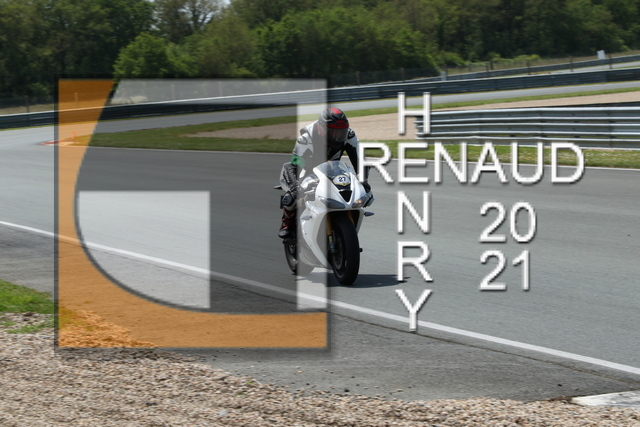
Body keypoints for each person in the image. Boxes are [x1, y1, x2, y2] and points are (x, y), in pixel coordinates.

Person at [278, 107, 370, 238]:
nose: (337, 137)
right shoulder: (306, 138)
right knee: (293, 195)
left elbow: (360, 161)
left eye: (341, 133)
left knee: (354, 191)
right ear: (321, 129)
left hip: (333, 169)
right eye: (332, 133)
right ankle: (286, 222)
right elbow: (294, 164)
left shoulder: (349, 135)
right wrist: (295, 186)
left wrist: (363, 180)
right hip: (307, 170)